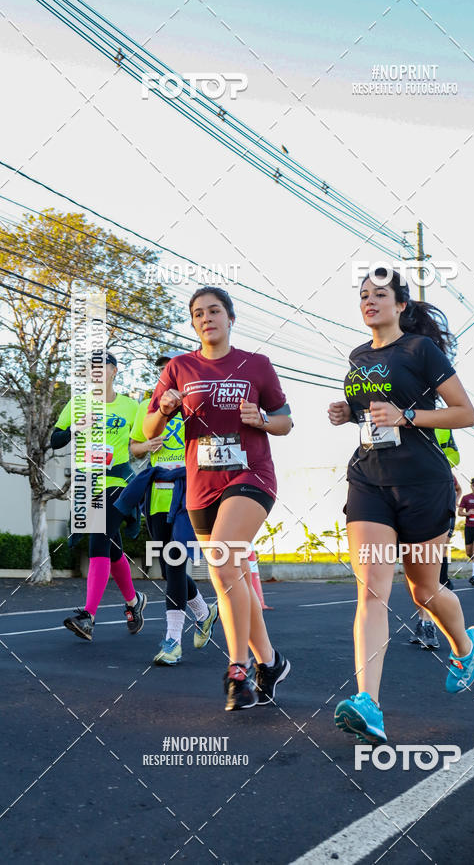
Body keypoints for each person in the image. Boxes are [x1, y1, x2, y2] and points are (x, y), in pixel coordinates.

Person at [329, 269, 474, 744]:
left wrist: (408, 415)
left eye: (380, 295)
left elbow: (465, 413)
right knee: (372, 591)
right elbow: (370, 414)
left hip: (422, 484)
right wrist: (347, 413)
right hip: (369, 481)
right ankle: (368, 704)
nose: (369, 301)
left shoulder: (421, 350)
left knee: (424, 592)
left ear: (400, 305)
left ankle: (465, 646)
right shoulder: (358, 356)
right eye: (363, 295)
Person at [143, 287, 292, 711]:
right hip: (201, 486)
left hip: (251, 475)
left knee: (225, 563)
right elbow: (149, 431)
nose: (206, 318)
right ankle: (271, 662)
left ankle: (238, 670)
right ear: (193, 323)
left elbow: (285, 421)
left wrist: (262, 419)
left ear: (230, 318)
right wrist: (165, 408)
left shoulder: (256, 365)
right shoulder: (179, 367)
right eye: (198, 314)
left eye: (214, 311)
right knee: (232, 575)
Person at [130, 350, 218, 665]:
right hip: (156, 496)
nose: (168, 376)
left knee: (176, 563)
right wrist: (146, 445)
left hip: (189, 495)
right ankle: (204, 613)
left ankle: (172, 642)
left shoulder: (201, 406)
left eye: (174, 371)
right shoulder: (148, 407)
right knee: (168, 569)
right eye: (164, 371)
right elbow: (134, 448)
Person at [51, 352, 147, 641]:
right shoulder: (77, 403)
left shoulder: (131, 406)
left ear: (114, 371)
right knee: (111, 546)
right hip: (89, 485)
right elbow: (55, 440)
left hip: (118, 481)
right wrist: (76, 427)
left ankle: (88, 616)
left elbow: (140, 443)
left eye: (101, 366)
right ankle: (133, 602)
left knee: (98, 535)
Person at [410, 430, 461, 650]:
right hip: (408, 505)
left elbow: (455, 460)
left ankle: (430, 625)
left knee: (431, 570)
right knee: (413, 573)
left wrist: (452, 503)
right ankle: (423, 620)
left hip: (436, 509)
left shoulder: (439, 426)